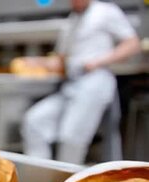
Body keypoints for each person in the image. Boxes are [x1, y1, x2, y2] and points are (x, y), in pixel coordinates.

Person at [21, 0, 140, 164]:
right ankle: (38, 180)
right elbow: (61, 60)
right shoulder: (73, 19)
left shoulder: (105, 11)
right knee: (35, 121)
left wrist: (98, 61)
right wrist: (37, 62)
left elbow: (132, 44)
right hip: (71, 86)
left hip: (95, 83)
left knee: (71, 137)